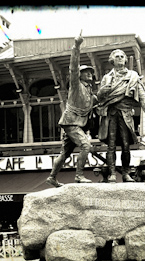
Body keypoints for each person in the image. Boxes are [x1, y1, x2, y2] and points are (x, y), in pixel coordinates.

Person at [97, 49, 145, 183]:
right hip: (111, 113)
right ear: (112, 60)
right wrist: (102, 91)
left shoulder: (133, 76)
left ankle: (125, 173)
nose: (119, 58)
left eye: (122, 56)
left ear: (125, 60)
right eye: (116, 56)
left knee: (125, 145)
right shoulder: (107, 77)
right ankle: (112, 173)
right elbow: (99, 98)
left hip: (126, 114)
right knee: (111, 145)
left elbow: (142, 94)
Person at [46, 32, 98, 187]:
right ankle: (79, 176)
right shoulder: (76, 85)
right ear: (80, 75)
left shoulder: (90, 92)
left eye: (91, 72)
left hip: (76, 124)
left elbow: (97, 102)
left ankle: (52, 177)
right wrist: (76, 47)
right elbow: (73, 67)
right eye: (86, 72)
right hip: (71, 122)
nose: (89, 74)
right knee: (86, 145)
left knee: (65, 152)